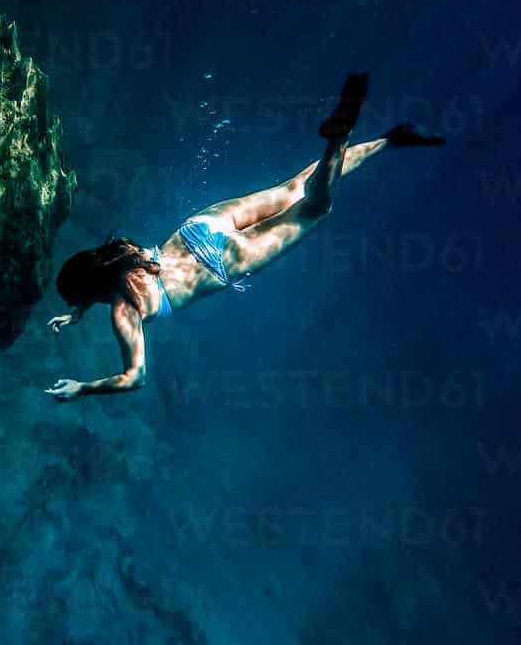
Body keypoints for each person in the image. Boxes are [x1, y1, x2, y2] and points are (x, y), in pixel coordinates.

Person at [44, 72, 444, 401]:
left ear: (89, 291)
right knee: (294, 187)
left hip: (222, 261)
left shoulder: (122, 311)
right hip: (200, 228)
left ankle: (338, 140)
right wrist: (78, 311)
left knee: (316, 207)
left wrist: (83, 388)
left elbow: (136, 377)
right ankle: (391, 139)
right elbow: (98, 281)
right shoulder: (118, 258)